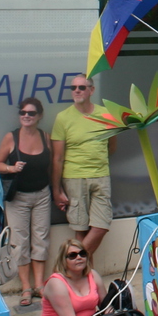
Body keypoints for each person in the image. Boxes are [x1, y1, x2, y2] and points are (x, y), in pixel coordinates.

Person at [0, 97, 53, 306]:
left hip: (42, 194)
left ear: (39, 116)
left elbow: (51, 165)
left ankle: (39, 285)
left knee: (41, 239)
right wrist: (11, 168)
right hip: (18, 197)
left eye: (31, 113)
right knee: (20, 242)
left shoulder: (45, 137)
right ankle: (26, 287)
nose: (26, 116)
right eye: (23, 112)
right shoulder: (11, 137)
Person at [51, 76, 117, 256]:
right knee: (80, 228)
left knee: (101, 225)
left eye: (81, 87)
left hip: (101, 175)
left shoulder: (106, 114)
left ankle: (70, 262)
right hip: (74, 177)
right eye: (73, 88)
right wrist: (56, 190)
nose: (77, 91)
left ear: (91, 90)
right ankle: (83, 271)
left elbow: (112, 146)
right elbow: (57, 158)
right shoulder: (63, 118)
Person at [29, 240, 103, 316]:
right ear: (63, 260)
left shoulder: (93, 275)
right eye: (72, 255)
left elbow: (106, 305)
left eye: (82, 254)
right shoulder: (56, 283)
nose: (79, 257)